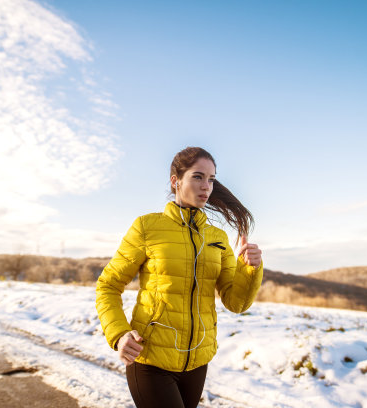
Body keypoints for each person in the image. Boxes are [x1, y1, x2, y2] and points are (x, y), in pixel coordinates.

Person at [95, 147, 263, 408]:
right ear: (176, 181)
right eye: (198, 177)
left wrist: (250, 269)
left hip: (197, 362)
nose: (206, 186)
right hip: (150, 359)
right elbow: (108, 285)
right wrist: (119, 334)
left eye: (211, 179)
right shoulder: (147, 227)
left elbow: (236, 302)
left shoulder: (217, 238)